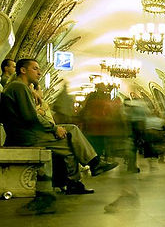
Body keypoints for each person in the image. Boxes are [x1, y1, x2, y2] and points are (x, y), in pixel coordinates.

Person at [0, 59, 118, 195]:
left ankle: (84, 173)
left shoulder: (18, 87)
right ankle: (89, 169)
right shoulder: (19, 87)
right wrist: (54, 128)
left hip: (24, 132)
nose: (39, 72)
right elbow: (30, 117)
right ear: (23, 70)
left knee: (71, 137)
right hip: (26, 135)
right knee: (70, 139)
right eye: (35, 68)